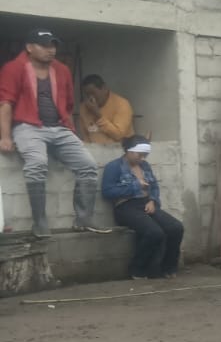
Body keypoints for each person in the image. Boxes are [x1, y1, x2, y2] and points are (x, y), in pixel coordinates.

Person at [0, 28, 108, 236]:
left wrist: (71, 130)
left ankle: (84, 219)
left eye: (53, 45)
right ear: (29, 47)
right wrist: (5, 137)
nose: (51, 50)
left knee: (88, 165)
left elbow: (68, 105)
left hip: (59, 127)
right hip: (27, 127)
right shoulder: (13, 68)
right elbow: (5, 103)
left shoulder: (62, 70)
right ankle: (40, 223)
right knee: (37, 164)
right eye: (44, 45)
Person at [101, 136, 183, 279]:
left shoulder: (145, 166)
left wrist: (152, 201)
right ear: (129, 151)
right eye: (140, 155)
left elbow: (154, 186)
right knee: (154, 232)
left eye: (145, 155)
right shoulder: (114, 167)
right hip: (125, 207)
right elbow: (107, 192)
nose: (143, 158)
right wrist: (135, 186)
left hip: (146, 204)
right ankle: (137, 269)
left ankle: (168, 267)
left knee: (176, 227)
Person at [80, 75, 135, 145]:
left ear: (104, 88)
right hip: (94, 149)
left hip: (119, 148)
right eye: (87, 94)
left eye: (93, 93)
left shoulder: (122, 104)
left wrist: (98, 115)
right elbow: (85, 135)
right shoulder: (84, 107)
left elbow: (118, 135)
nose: (91, 97)